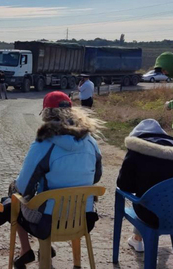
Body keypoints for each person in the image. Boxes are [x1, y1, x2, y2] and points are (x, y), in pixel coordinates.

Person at [12, 91, 103, 268]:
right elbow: (96, 176)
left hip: (49, 220)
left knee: (13, 198)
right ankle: (69, 259)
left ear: (46, 114)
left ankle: (26, 250)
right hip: (84, 217)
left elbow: (24, 187)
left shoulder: (44, 143)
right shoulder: (91, 140)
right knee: (42, 200)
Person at [116, 119, 173, 252]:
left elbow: (124, 186)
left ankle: (137, 239)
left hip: (150, 215)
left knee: (146, 199)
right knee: (156, 199)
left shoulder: (136, 151)